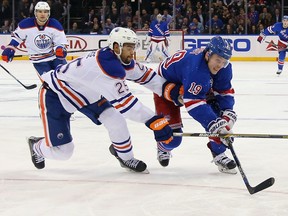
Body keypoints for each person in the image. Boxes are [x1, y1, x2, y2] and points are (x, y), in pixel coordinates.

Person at [27, 27, 173, 173]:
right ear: (116, 46)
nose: (132, 51)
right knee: (64, 152)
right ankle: (36, 146)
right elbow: (127, 105)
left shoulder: (116, 58)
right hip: (57, 94)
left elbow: (145, 75)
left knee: (115, 120)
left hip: (89, 94)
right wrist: (154, 121)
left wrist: (169, 89)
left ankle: (125, 158)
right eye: (129, 47)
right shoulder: (107, 67)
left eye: (133, 47)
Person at [153, 36, 237, 174]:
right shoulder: (196, 69)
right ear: (208, 54)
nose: (220, 65)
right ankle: (163, 147)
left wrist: (227, 112)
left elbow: (224, 91)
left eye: (223, 61)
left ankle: (219, 154)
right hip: (165, 87)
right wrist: (215, 124)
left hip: (192, 83)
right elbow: (193, 104)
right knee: (174, 139)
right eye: (217, 60)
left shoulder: (224, 68)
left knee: (218, 118)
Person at [1, 1, 67, 79]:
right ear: (35, 12)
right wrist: (10, 48)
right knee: (50, 82)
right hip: (39, 61)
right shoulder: (25, 24)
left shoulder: (55, 24)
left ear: (48, 13)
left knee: (66, 79)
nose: (42, 14)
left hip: (56, 58)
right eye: (40, 11)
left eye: (45, 12)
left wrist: (60, 49)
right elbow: (16, 38)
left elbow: (60, 43)